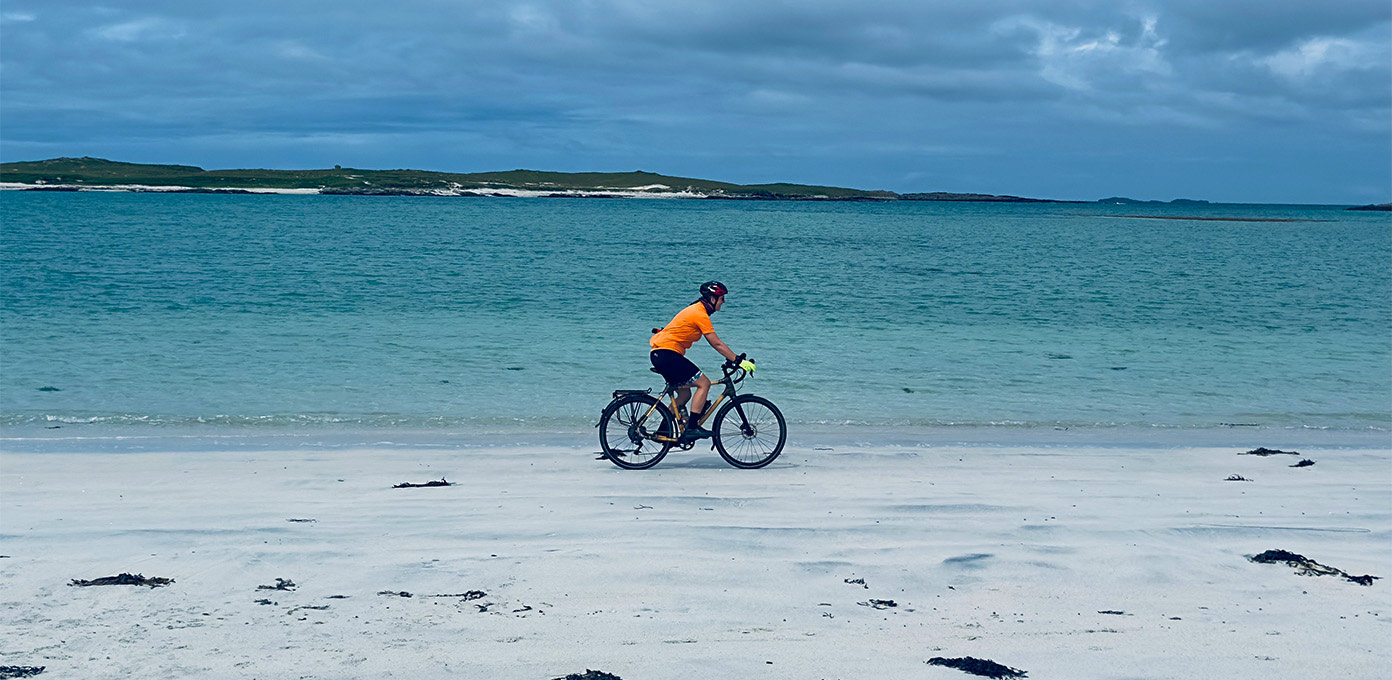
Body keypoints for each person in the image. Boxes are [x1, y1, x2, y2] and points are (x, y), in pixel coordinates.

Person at [649, 281, 742, 441]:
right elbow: (716, 343)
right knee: (703, 384)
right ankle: (692, 427)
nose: (724, 302)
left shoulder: (696, 310)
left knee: (684, 394)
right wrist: (737, 360)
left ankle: (662, 432)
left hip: (662, 354)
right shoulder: (699, 313)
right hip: (667, 354)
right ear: (712, 299)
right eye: (722, 298)